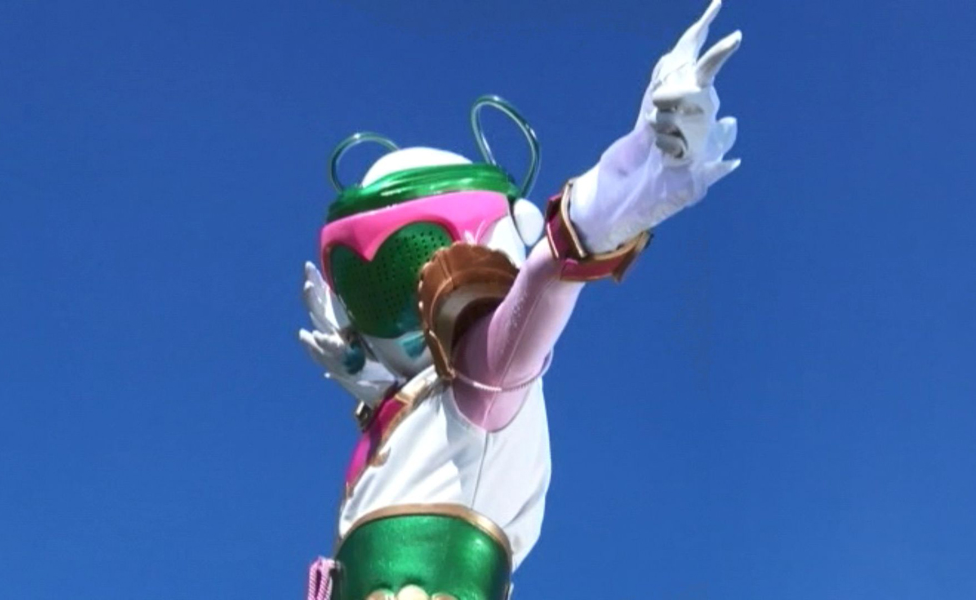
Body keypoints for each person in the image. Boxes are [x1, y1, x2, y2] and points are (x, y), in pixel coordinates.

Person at [300, 3, 742, 599]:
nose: (400, 306)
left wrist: (635, 176)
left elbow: (543, 284)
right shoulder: (413, 419)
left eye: (410, 259)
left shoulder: (482, 382)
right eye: (366, 286)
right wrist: (373, 381)